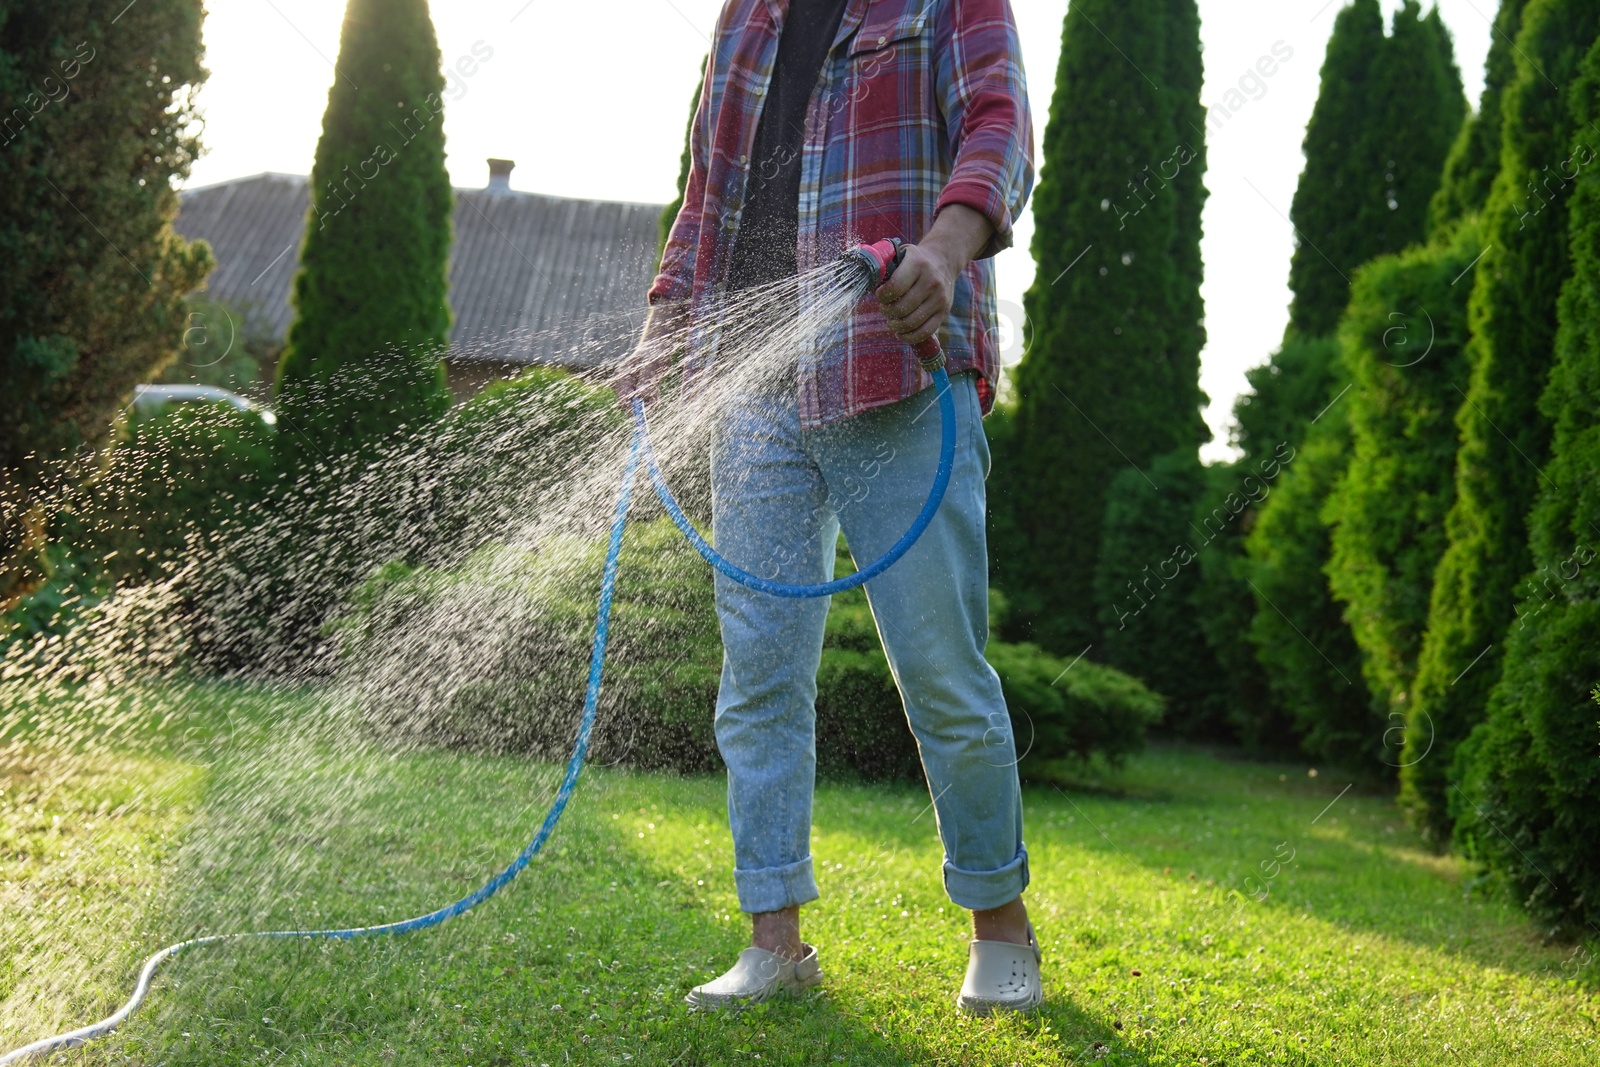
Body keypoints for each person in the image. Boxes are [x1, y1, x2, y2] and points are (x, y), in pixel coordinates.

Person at [615, 0, 1036, 1014]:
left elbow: (998, 123)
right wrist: (663, 325)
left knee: (938, 669)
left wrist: (941, 247)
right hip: (752, 387)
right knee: (758, 674)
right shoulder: (749, 18)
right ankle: (775, 941)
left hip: (893, 365)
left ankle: (999, 923)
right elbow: (708, 194)